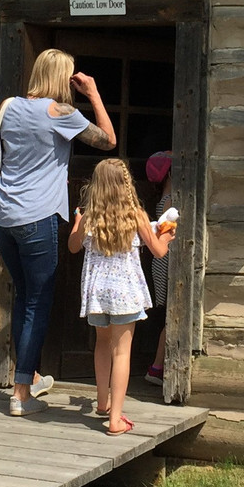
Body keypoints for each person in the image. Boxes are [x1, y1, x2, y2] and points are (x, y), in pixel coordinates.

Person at [0, 48, 116, 417]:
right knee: (37, 302)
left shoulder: (9, 105)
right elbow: (109, 140)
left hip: (1, 213)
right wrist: (92, 93)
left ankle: (32, 375)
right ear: (64, 77)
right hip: (37, 216)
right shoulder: (63, 113)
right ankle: (21, 392)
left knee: (23, 295)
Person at [67, 159, 175, 436]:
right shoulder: (136, 214)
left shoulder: (91, 215)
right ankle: (115, 419)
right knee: (121, 351)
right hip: (125, 293)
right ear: (127, 184)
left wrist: (77, 223)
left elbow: (73, 247)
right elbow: (159, 251)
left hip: (97, 294)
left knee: (102, 345)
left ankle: (102, 403)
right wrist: (168, 235)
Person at [144, 151, 172, 386]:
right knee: (171, 316)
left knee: (167, 315)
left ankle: (158, 367)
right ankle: (156, 368)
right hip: (166, 260)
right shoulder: (172, 198)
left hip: (161, 260)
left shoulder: (165, 196)